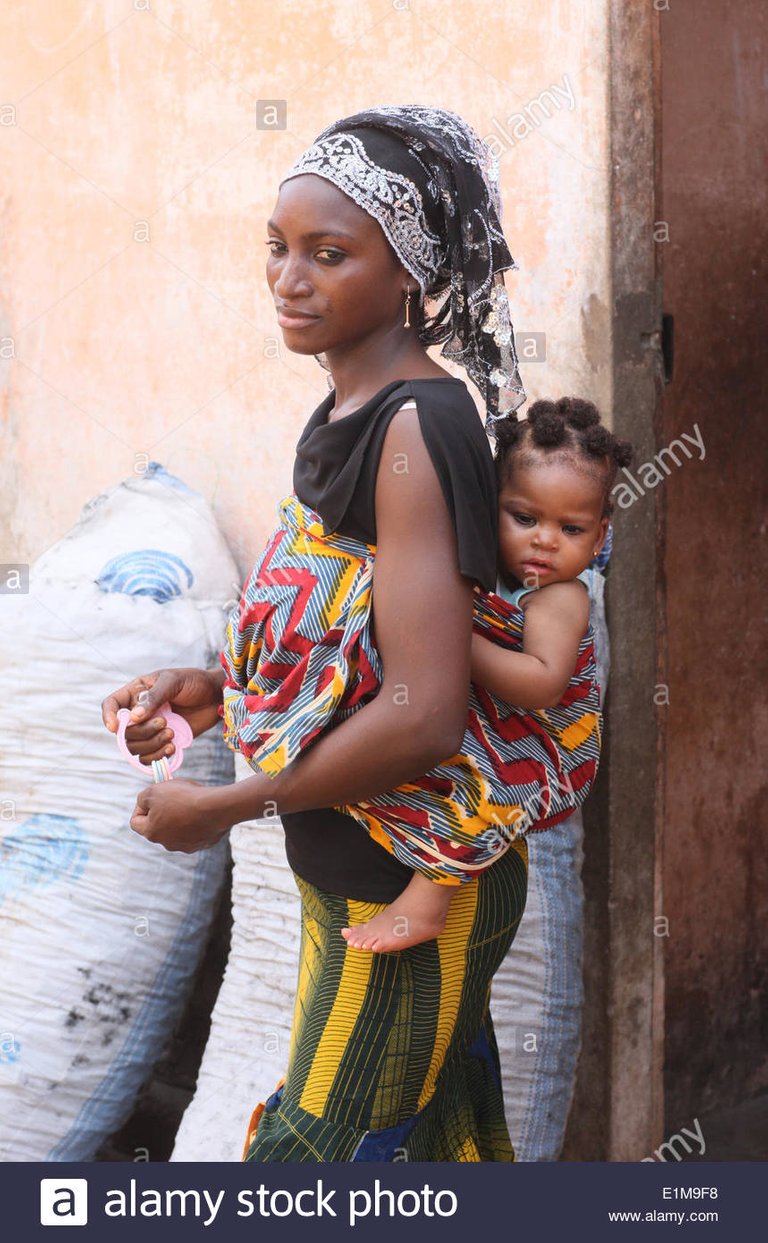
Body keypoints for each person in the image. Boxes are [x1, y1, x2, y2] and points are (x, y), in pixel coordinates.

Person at [103, 104, 538, 1162]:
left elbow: (427, 711)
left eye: (328, 254)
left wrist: (232, 803)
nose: (289, 279)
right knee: (447, 1161)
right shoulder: (348, 409)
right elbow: (349, 635)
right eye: (278, 247)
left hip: (409, 873)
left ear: (408, 277)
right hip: (349, 863)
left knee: (306, 1164)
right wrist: (214, 686)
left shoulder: (414, 429)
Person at [333, 396, 633, 951]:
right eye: (525, 519)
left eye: (571, 529)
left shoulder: (563, 596)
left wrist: (451, 637)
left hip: (547, 747)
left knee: (480, 795)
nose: (544, 540)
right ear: (490, 505)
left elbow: (543, 683)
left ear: (598, 535)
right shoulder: (486, 571)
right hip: (503, 723)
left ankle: (429, 902)